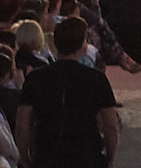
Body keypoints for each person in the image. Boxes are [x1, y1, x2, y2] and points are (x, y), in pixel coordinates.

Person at [22, 23, 121, 168]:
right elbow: (110, 125)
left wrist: (26, 157)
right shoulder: (96, 78)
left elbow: (22, 124)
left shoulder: (35, 78)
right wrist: (109, 158)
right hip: (87, 155)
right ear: (82, 45)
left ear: (55, 44)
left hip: (48, 154)